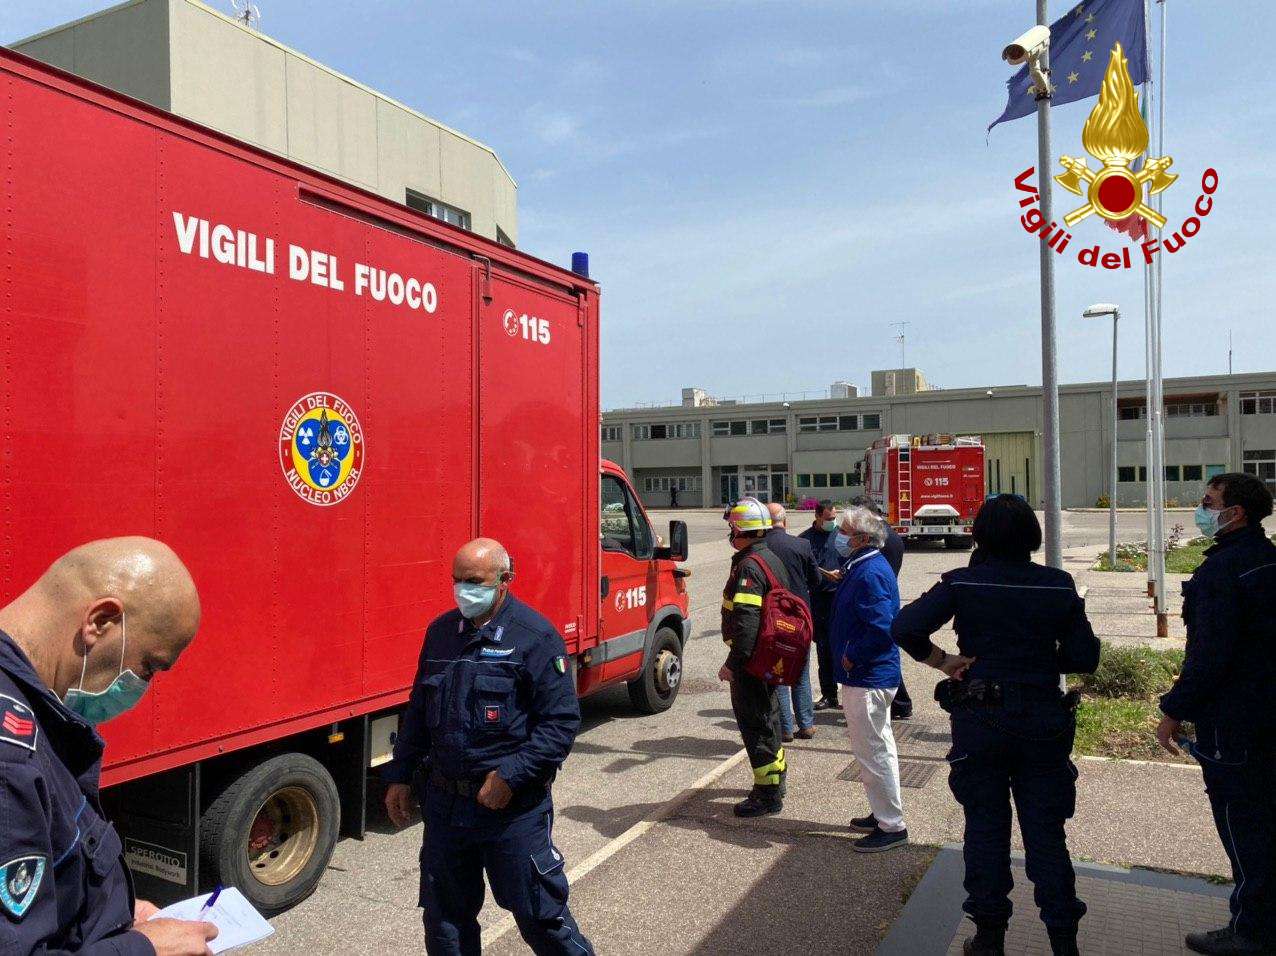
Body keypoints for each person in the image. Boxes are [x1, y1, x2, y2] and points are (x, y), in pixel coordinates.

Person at [892, 495, 1100, 956]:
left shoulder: (963, 581)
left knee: (985, 830)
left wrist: (944, 661)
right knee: (1047, 835)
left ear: (980, 536)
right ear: (1032, 536)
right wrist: (1037, 661)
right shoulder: (1057, 584)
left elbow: (905, 627)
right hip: (1043, 722)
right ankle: (1064, 940)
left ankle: (989, 938)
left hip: (981, 720)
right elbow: (1085, 657)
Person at [0, 538, 216, 956]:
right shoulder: (9, 760)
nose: (144, 686)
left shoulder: (32, 706)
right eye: (149, 666)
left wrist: (111, 911)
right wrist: (146, 948)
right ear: (100, 621)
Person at [383, 538, 594, 956]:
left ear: (505, 580)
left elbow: (560, 723)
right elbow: (419, 711)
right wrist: (399, 775)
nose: (463, 590)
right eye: (457, 580)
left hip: (511, 811)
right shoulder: (441, 634)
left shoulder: (535, 637)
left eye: (474, 581)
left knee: (540, 917)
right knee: (445, 925)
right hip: (445, 809)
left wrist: (511, 776)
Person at [1156, 473, 1276, 956]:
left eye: (1209, 502)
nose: (1201, 510)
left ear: (1235, 513)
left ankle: (1253, 931)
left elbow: (1209, 655)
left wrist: (1173, 710)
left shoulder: (1223, 571)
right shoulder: (1267, 559)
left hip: (1233, 723)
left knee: (1244, 829)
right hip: (1265, 716)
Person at [829, 507, 909, 853]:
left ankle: (892, 825)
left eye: (844, 531)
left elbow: (881, 627)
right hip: (864, 674)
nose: (839, 536)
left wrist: (853, 654)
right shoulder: (862, 565)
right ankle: (882, 813)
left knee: (873, 751)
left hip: (868, 675)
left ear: (861, 538)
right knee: (874, 749)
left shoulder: (870, 572)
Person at [718, 498, 792, 817]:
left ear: (740, 531)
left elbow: (747, 624)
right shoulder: (769, 557)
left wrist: (732, 664)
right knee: (769, 720)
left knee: (756, 725)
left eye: (732, 528)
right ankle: (776, 780)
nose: (730, 533)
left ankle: (767, 795)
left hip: (752, 662)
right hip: (767, 657)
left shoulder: (749, 566)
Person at [852, 495, 912, 721]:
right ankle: (900, 702)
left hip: (879, 599)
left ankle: (901, 702)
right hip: (886, 596)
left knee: (883, 651)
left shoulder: (881, 538)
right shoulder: (891, 534)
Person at [765, 502, 818, 741]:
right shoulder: (801, 545)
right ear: (785, 522)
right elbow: (815, 580)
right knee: (801, 673)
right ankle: (806, 724)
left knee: (777, 674)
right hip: (799, 619)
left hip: (772, 619)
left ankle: (785, 728)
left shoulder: (760, 548)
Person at [799, 500, 842, 712]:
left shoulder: (842, 535)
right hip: (819, 600)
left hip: (840, 597)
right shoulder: (805, 540)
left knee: (844, 646)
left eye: (834, 518)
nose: (832, 522)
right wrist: (826, 574)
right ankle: (829, 694)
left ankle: (851, 691)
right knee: (824, 648)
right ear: (817, 516)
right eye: (828, 519)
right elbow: (805, 568)